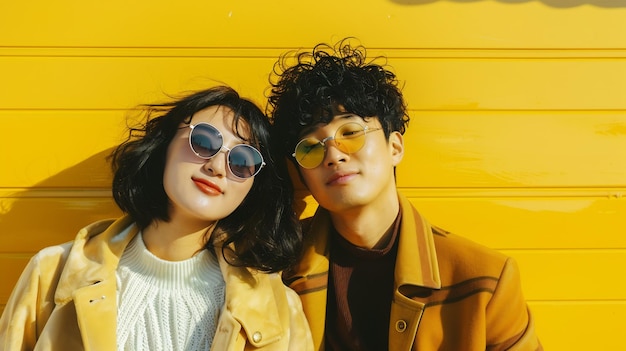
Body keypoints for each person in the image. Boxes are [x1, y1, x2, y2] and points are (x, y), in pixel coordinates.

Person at [267, 39, 542, 350]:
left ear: (395, 147)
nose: (333, 155)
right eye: (310, 148)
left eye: (351, 133)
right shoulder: (274, 269)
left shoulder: (486, 280)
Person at [0, 86, 313, 350]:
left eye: (243, 161)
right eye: (204, 141)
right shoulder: (53, 273)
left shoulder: (277, 308)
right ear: (164, 146)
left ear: (252, 189)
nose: (217, 167)